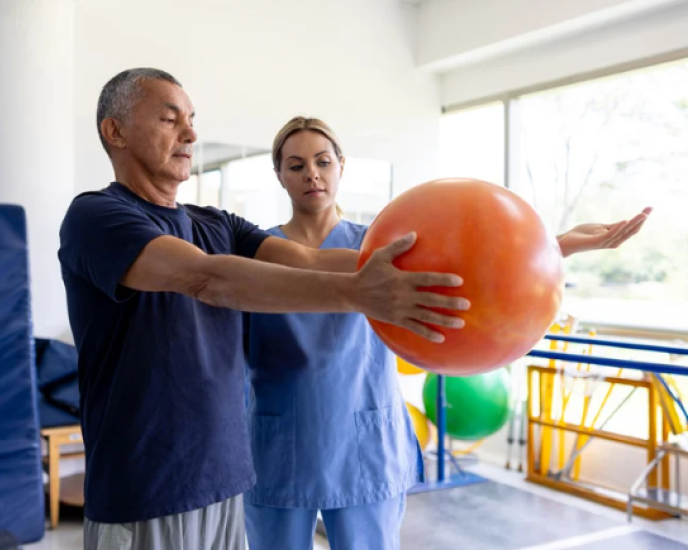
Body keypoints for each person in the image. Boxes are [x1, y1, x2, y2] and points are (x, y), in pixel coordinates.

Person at [57, 69, 471, 550]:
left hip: (223, 482)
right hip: (147, 487)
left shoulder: (218, 224)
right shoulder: (96, 217)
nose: (191, 133)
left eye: (191, 120)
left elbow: (312, 260)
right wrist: (359, 293)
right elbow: (207, 279)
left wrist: (532, 253)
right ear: (115, 131)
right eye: (171, 120)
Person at [243, 116, 652, 550]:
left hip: (363, 438)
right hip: (279, 442)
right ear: (279, 176)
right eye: (296, 165)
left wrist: (558, 244)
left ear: (341, 165)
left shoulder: (384, 244)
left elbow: (469, 267)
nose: (312, 174)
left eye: (323, 161)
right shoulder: (256, 252)